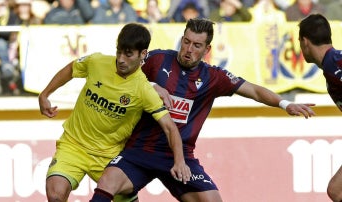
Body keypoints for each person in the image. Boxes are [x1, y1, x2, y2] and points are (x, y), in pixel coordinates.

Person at [89, 18, 316, 202]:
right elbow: (123, 74)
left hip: (180, 158)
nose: (188, 49)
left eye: (196, 45)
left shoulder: (213, 77)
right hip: (140, 150)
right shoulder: (157, 60)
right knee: (107, 184)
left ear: (207, 49)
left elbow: (254, 91)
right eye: (185, 42)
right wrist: (150, 85)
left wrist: (285, 104)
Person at [38, 22, 191, 202]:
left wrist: (180, 161)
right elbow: (72, 69)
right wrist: (45, 94)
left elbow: (170, 128)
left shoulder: (144, 90)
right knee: (55, 195)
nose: (121, 59)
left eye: (128, 54)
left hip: (110, 156)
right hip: (73, 146)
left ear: (143, 54)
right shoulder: (97, 62)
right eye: (119, 51)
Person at [297, 13, 342, 201]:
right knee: (336, 190)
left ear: (305, 42)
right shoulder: (333, 63)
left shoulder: (334, 64)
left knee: (336, 190)